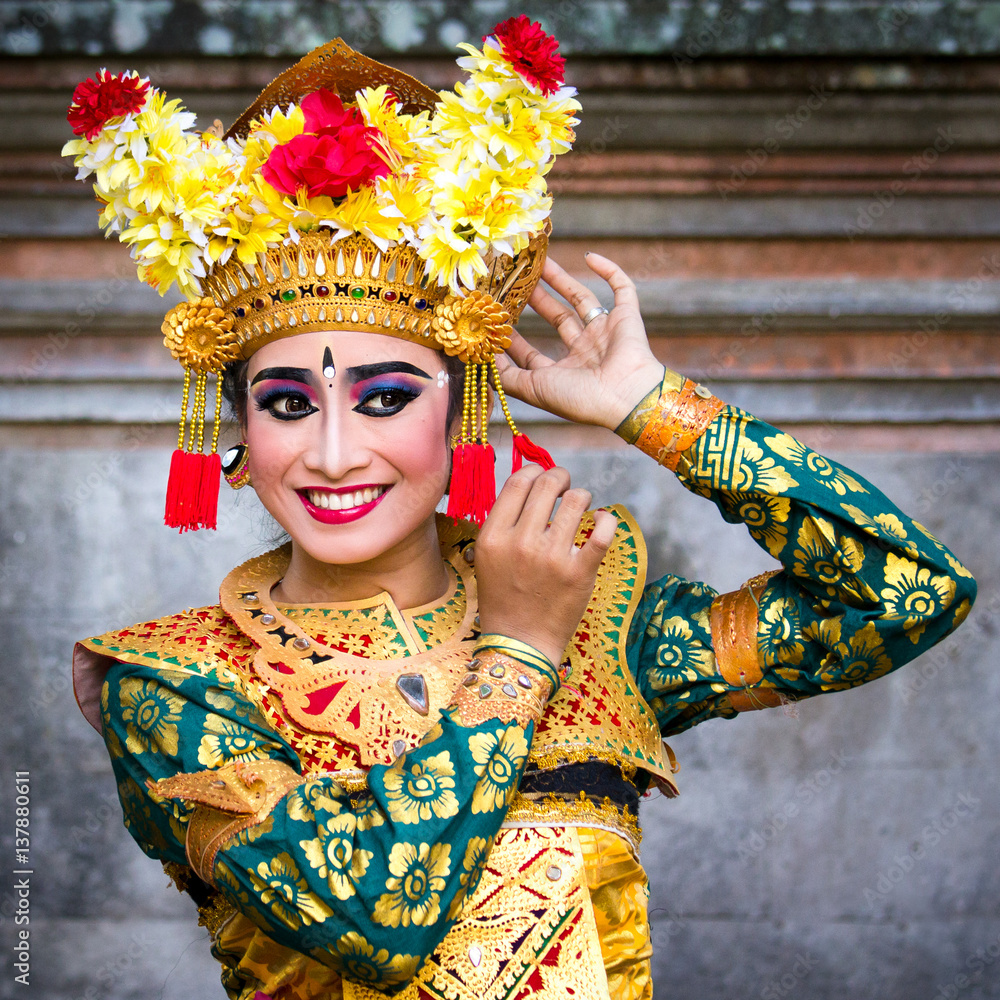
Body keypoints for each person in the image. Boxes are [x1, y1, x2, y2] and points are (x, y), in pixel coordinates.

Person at [65, 21, 975, 1000]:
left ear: (464, 409)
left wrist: (653, 410)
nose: (332, 452)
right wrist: (517, 656)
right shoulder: (176, 682)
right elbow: (373, 920)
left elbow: (907, 594)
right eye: (288, 403)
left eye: (384, 398)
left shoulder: (602, 629)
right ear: (235, 427)